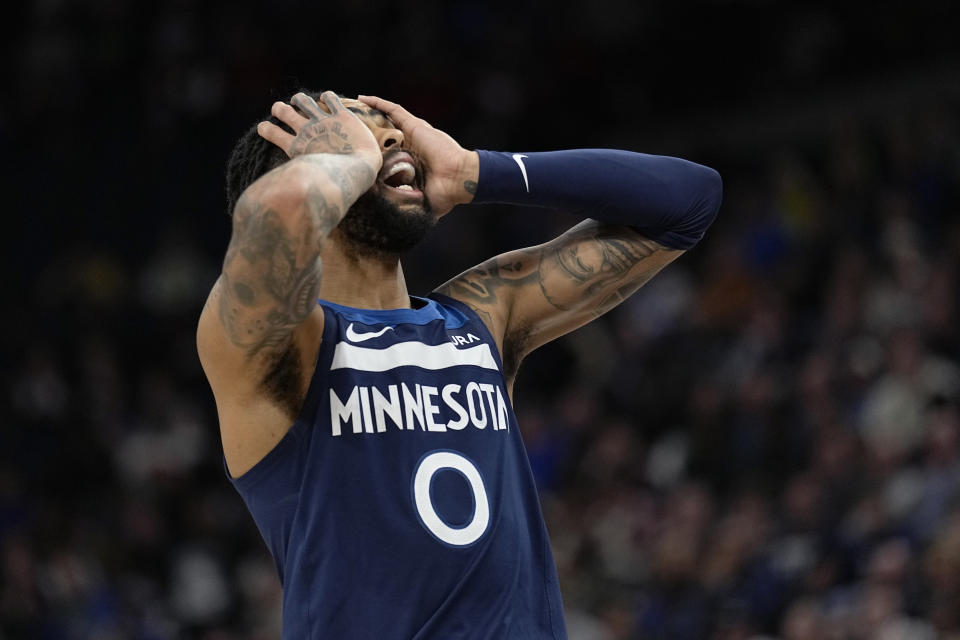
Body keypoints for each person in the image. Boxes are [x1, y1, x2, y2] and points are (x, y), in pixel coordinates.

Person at [196, 89, 722, 639]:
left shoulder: (481, 318)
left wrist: (477, 170)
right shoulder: (281, 347)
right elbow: (272, 217)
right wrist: (349, 163)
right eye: (358, 131)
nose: (394, 137)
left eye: (388, 127)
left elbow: (690, 200)